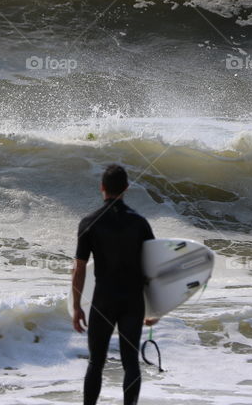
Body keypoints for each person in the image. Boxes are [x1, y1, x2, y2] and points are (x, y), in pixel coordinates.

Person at [72, 164, 157, 405]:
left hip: (103, 300)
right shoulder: (140, 223)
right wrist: (154, 308)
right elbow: (153, 267)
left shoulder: (89, 222)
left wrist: (77, 306)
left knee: (95, 362)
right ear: (126, 189)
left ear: (102, 188)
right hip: (132, 300)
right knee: (130, 361)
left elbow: (79, 267)